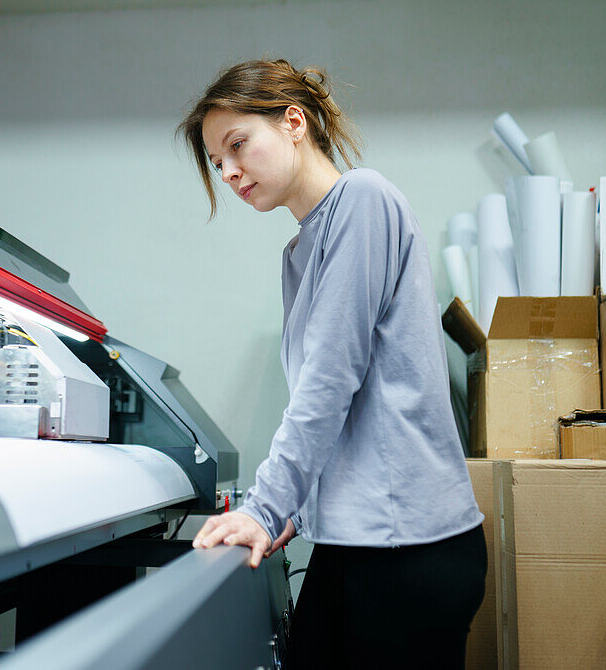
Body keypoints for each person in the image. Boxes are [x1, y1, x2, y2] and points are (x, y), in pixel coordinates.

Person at [178, 59, 486, 669]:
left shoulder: (362, 200)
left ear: (294, 122)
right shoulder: (299, 251)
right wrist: (291, 507)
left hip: (409, 545)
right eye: (218, 163)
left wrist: (266, 508)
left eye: (237, 145)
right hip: (357, 538)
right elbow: (333, 406)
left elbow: (329, 382)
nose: (231, 172)